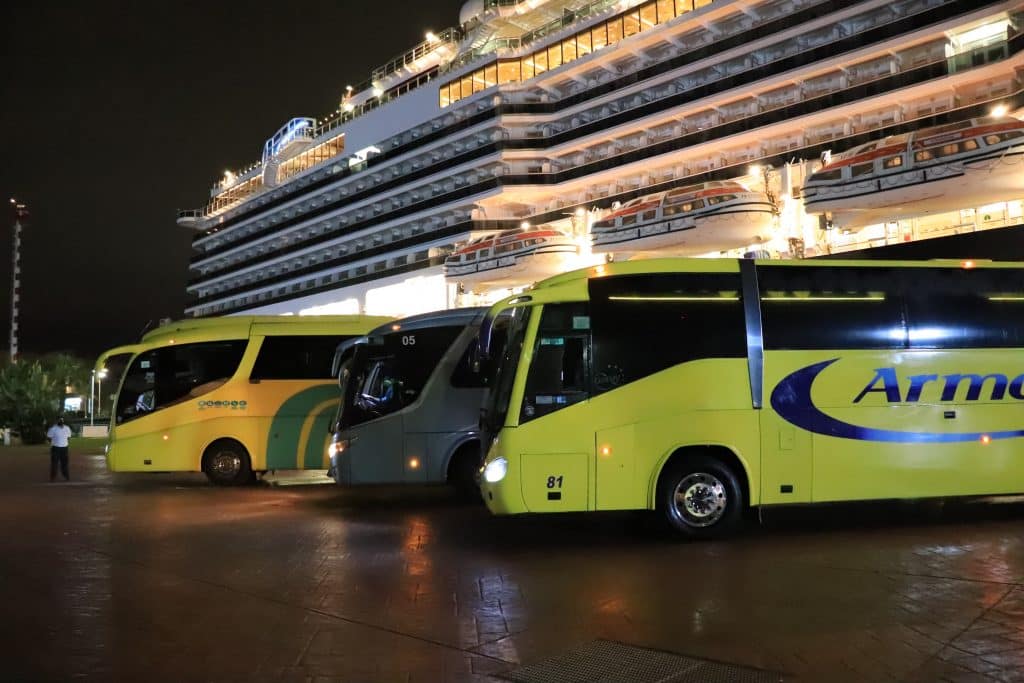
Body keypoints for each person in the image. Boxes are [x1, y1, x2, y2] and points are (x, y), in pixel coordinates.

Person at [46, 416, 72, 482]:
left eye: (62, 420)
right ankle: (53, 477)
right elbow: (48, 438)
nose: (61, 421)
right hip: (55, 448)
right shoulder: (53, 429)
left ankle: (66, 476)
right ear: (57, 421)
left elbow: (69, 437)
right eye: (60, 420)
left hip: (64, 448)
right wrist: (55, 443)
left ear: (63, 421)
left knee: (64, 463)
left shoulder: (67, 428)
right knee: (54, 464)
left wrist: (64, 443)